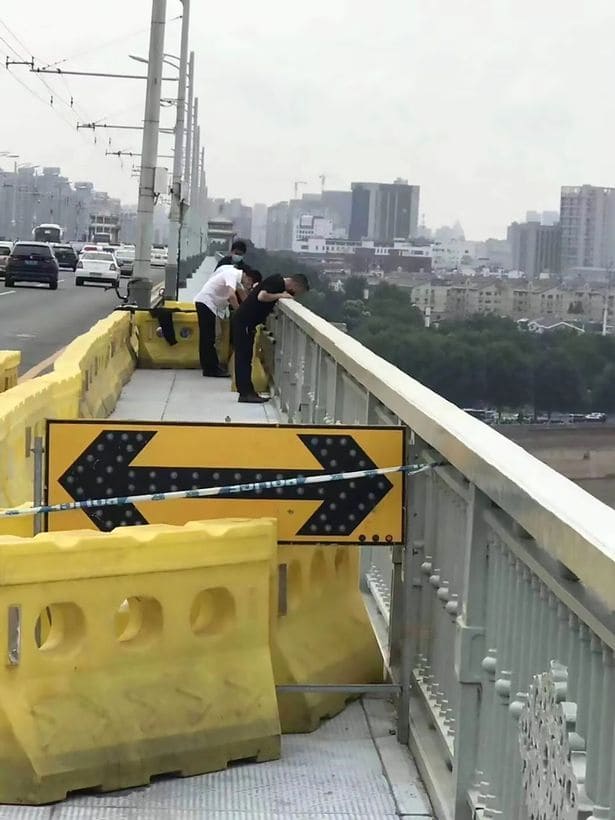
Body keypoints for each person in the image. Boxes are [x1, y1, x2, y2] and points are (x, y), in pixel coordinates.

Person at [231, 272, 309, 402]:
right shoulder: (277, 282)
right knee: (243, 359)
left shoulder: (277, 282)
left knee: (246, 358)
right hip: (244, 322)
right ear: (296, 284)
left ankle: (248, 391)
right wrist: (281, 295)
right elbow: (262, 296)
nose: (295, 293)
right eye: (298, 290)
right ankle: (245, 393)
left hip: (246, 324)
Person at [194, 264, 245, 377]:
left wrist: (247, 308)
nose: (248, 285)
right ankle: (211, 369)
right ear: (248, 277)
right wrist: (241, 313)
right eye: (249, 283)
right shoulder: (232, 274)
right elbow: (231, 296)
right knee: (208, 339)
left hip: (206, 304)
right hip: (206, 303)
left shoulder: (235, 276)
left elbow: (243, 295)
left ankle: (209, 367)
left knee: (207, 338)